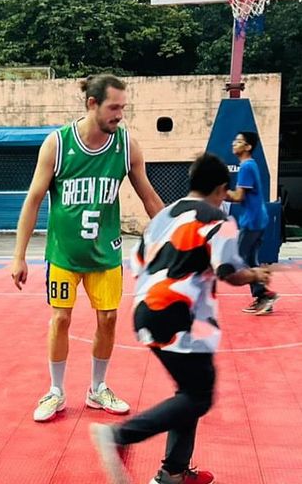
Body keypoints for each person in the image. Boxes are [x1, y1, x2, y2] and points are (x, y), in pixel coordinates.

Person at [90, 152, 272, 484]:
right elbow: (228, 271)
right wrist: (256, 274)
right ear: (219, 189)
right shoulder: (217, 219)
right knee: (199, 395)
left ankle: (174, 472)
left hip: (145, 310)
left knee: (189, 391)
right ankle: (120, 436)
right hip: (177, 313)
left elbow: (138, 262)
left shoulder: (163, 216)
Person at [11, 74, 164, 422]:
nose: (120, 115)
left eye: (123, 107)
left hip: (105, 253)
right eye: (113, 107)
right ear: (92, 104)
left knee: (108, 319)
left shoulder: (126, 146)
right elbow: (33, 200)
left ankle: (97, 388)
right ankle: (55, 391)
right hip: (64, 254)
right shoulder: (58, 144)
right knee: (61, 319)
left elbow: (149, 198)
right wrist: (19, 255)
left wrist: (178, 237)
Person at [226, 131, 279, 315]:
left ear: (248, 147)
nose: (234, 143)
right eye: (235, 140)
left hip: (253, 221)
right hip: (257, 219)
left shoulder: (246, 167)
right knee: (250, 260)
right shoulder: (249, 165)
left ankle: (264, 294)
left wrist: (218, 190)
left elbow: (238, 196)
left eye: (239, 141)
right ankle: (263, 296)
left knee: (238, 259)